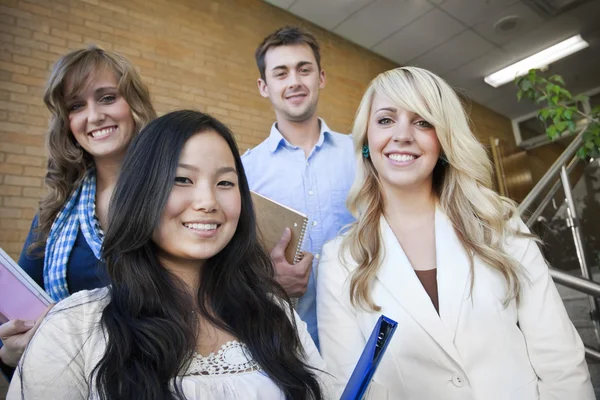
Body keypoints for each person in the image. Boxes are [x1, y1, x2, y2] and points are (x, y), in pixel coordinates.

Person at [8, 110, 333, 400]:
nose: (207, 201)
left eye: (224, 182)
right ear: (140, 193)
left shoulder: (275, 312)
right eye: (181, 179)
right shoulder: (73, 328)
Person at [317, 66, 594, 399]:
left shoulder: (497, 222)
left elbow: (560, 360)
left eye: (423, 122)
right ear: (366, 141)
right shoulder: (340, 259)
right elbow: (344, 388)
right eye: (386, 120)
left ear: (444, 141)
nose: (403, 135)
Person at [0, 46, 156, 378]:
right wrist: (10, 354)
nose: (94, 116)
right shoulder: (55, 213)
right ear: (67, 122)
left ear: (134, 103)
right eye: (76, 106)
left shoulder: (176, 192)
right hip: (71, 381)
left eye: (107, 97)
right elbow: (17, 316)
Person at [242, 26, 355, 348]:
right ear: (264, 86)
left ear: (321, 77)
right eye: (281, 73)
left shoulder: (362, 155)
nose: (294, 81)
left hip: (365, 327)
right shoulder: (244, 171)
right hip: (289, 339)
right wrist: (269, 281)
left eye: (303, 69)